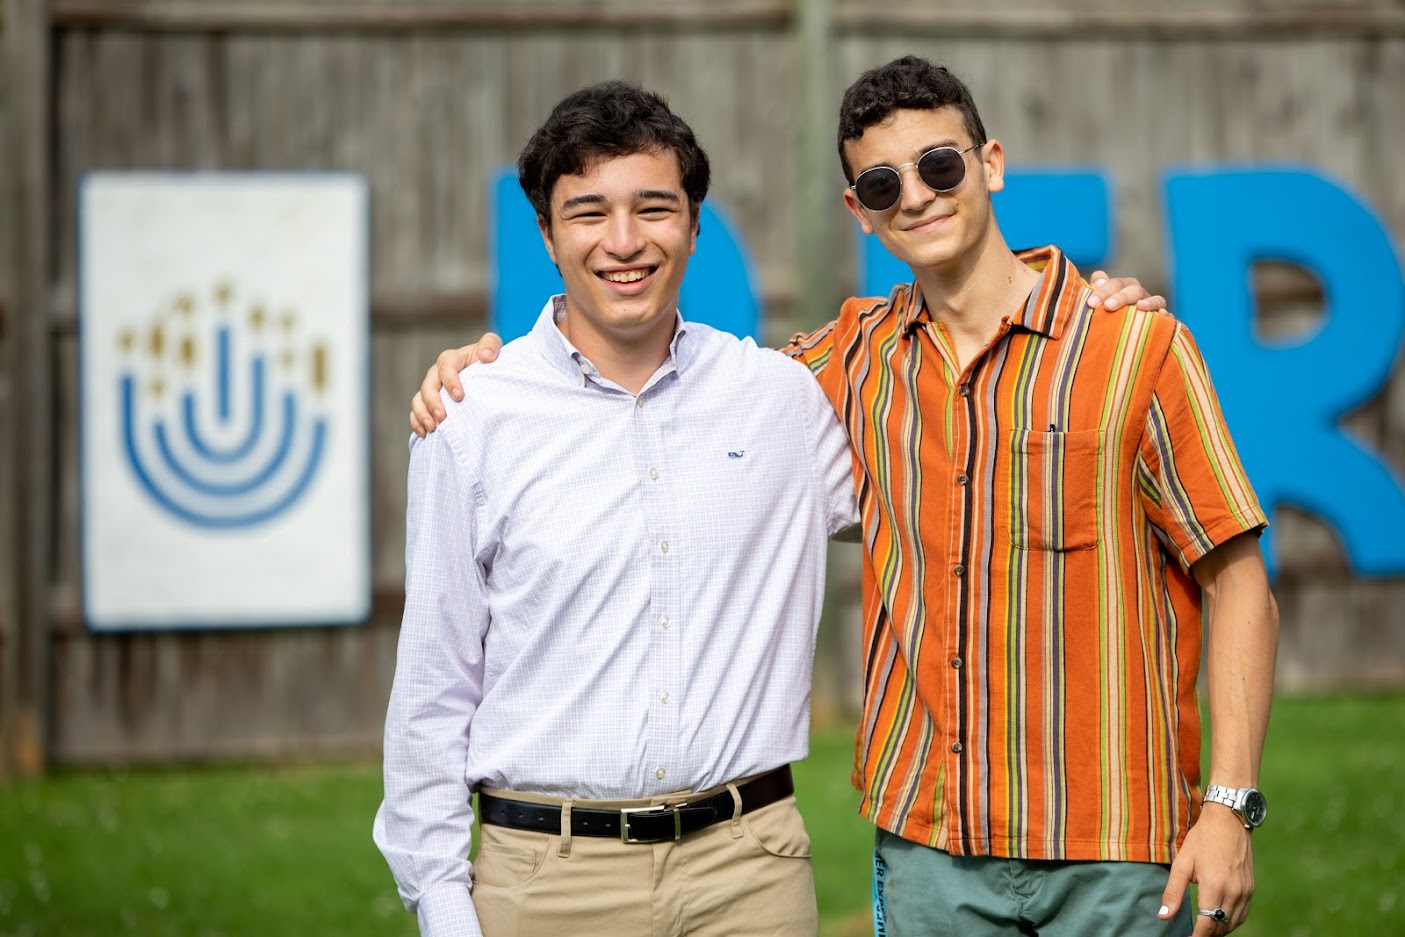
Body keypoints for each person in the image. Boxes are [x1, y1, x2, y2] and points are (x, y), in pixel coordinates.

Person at [409, 58, 1274, 937]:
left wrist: (1229, 805)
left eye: (941, 164)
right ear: (859, 209)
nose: (919, 195)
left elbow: (1239, 578)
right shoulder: (837, 368)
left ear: (991, 163)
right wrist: (469, 373)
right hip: (929, 847)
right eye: (881, 181)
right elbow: (439, 680)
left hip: (1114, 839)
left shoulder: (1130, 346)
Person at [374, 79, 861, 937]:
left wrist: (1094, 312)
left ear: (695, 223)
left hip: (750, 876)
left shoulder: (781, 403)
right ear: (547, 234)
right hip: (547, 881)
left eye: (654, 208)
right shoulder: (472, 417)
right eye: (589, 212)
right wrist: (446, 910)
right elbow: (432, 691)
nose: (624, 241)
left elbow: (964, 462)